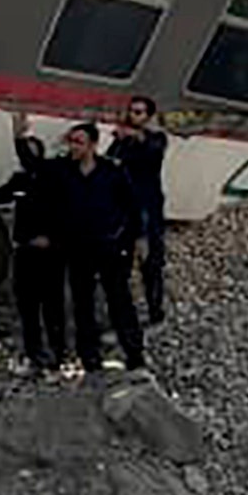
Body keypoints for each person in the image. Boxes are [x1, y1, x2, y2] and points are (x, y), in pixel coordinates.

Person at [0, 121, 69, 376]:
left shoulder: (55, 178)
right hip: (25, 251)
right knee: (27, 306)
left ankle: (58, 356)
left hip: (51, 253)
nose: (25, 156)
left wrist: (54, 239)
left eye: (29, 151)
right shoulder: (19, 180)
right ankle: (33, 354)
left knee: (51, 305)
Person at [56, 121, 147, 375]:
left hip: (110, 247)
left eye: (79, 142)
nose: (73, 146)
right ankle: (90, 359)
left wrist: (136, 240)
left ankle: (135, 355)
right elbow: (36, 169)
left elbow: (132, 207)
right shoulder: (64, 171)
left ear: (93, 145)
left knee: (119, 300)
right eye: (71, 141)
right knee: (82, 304)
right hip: (78, 249)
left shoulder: (112, 172)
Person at [110, 93, 170, 325]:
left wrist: (134, 135)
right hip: (124, 206)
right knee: (119, 262)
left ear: (148, 116)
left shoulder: (156, 138)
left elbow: (154, 150)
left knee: (151, 263)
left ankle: (155, 311)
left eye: (138, 112)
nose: (132, 116)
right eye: (131, 111)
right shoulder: (123, 140)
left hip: (147, 207)